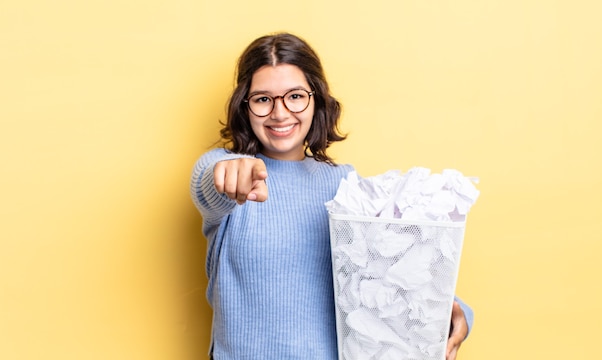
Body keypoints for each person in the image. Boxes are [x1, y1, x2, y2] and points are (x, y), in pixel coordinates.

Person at [190, 32, 473, 360]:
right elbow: (210, 187)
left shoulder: (346, 185)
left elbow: (391, 275)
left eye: (295, 96)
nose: (280, 113)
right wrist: (229, 176)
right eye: (263, 99)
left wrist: (456, 311)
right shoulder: (222, 167)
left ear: (316, 99)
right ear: (245, 106)